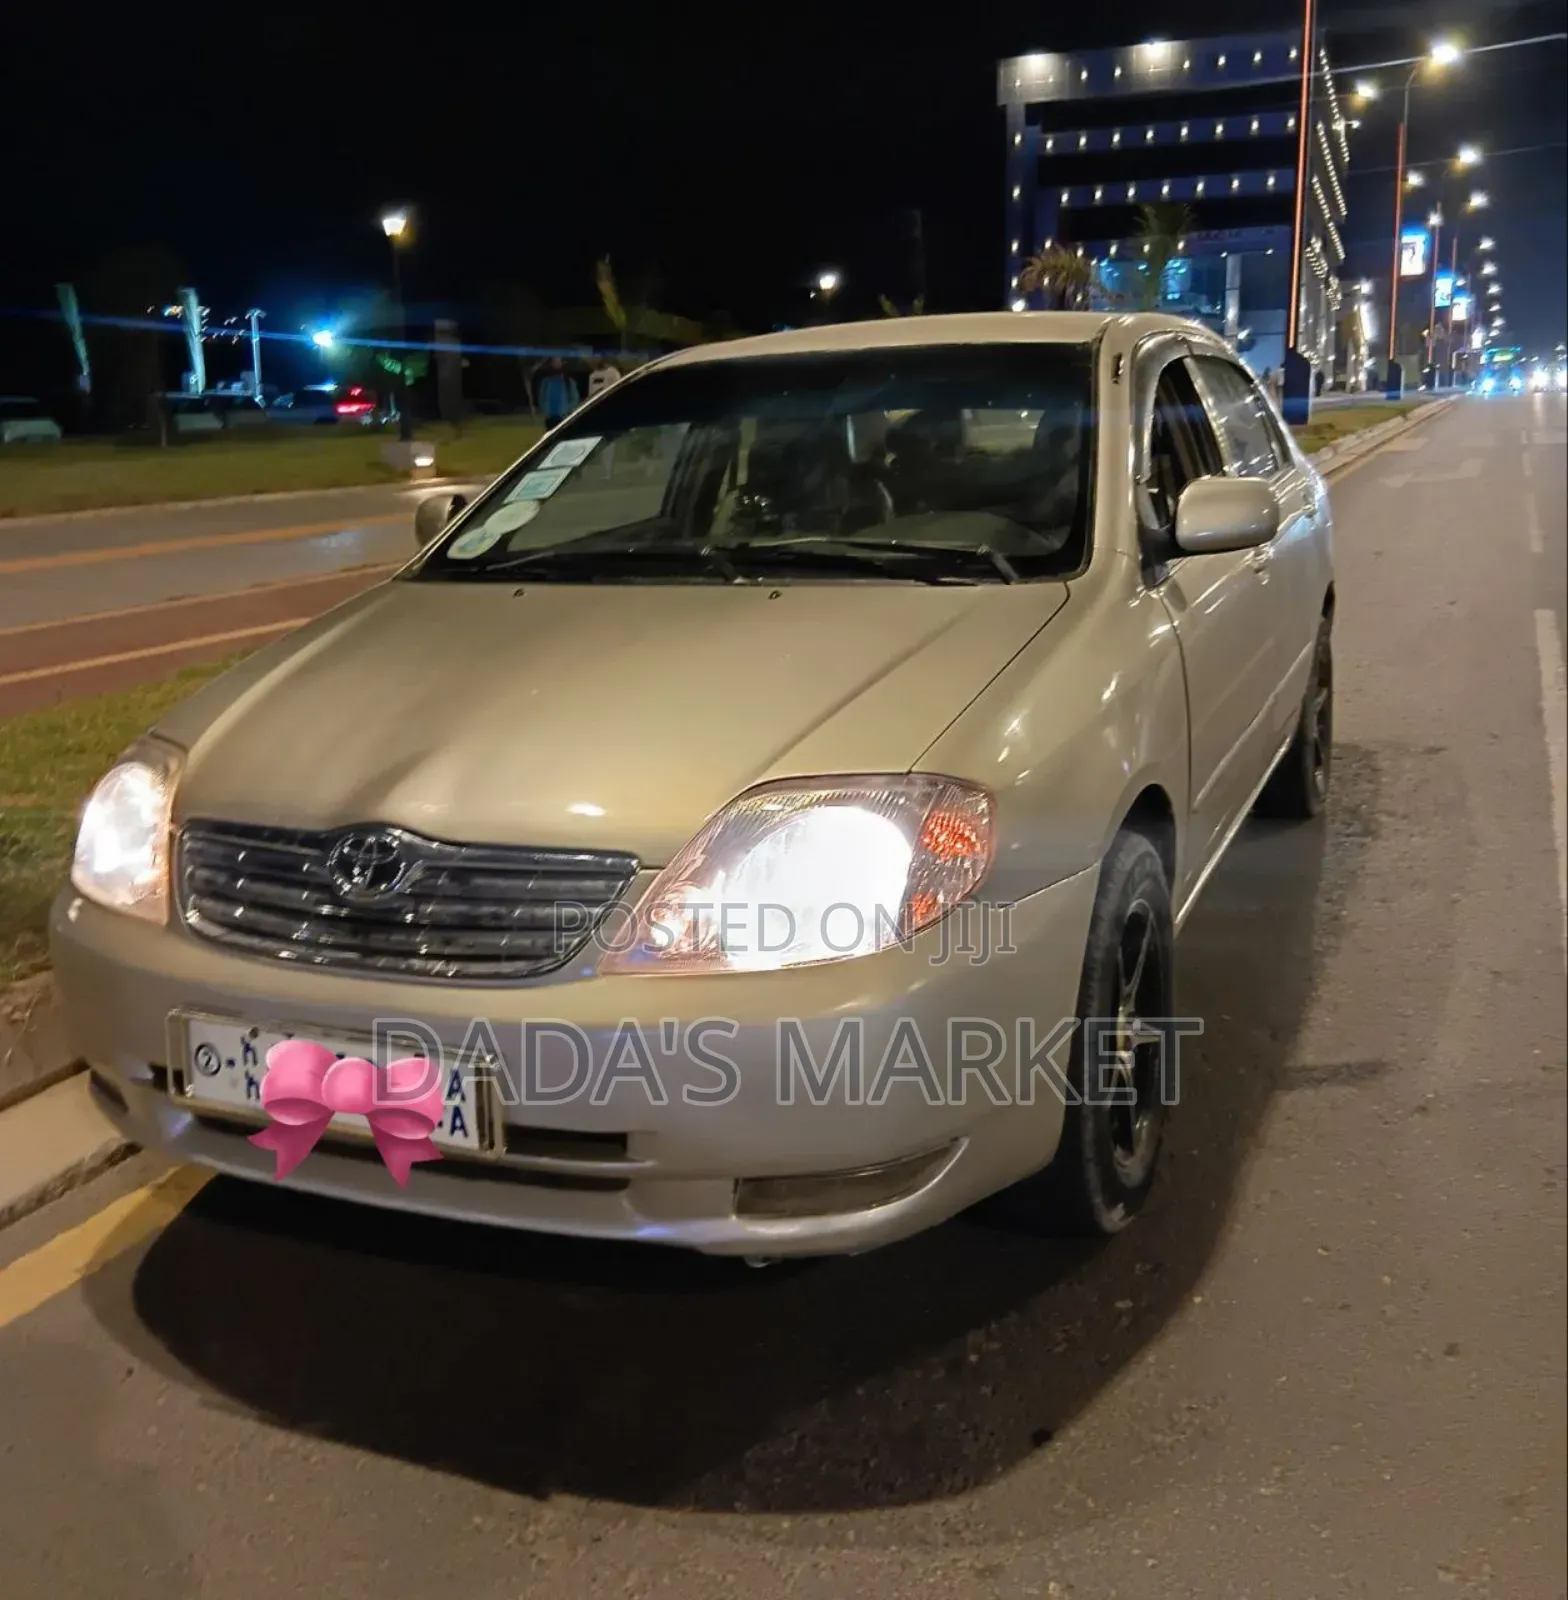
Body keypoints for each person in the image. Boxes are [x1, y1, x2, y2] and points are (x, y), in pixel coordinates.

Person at [538, 358, 579, 427]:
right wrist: (546, 412)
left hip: (564, 418)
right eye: (553, 361)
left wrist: (566, 410)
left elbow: (575, 399)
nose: (555, 363)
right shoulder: (545, 382)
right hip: (549, 418)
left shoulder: (569, 382)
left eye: (557, 361)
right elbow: (541, 398)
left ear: (562, 363)